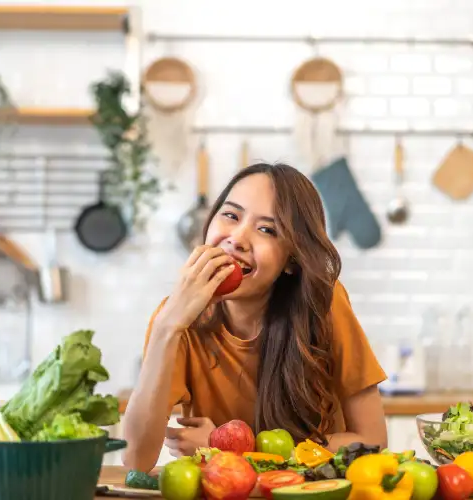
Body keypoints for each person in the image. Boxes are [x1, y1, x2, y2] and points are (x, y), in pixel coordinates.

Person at [121, 162, 388, 472]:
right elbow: (137, 460)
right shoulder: (176, 319)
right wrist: (167, 326)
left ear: (292, 259)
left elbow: (372, 442)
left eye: (266, 229)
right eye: (231, 215)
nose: (237, 238)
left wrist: (229, 448)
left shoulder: (323, 303)